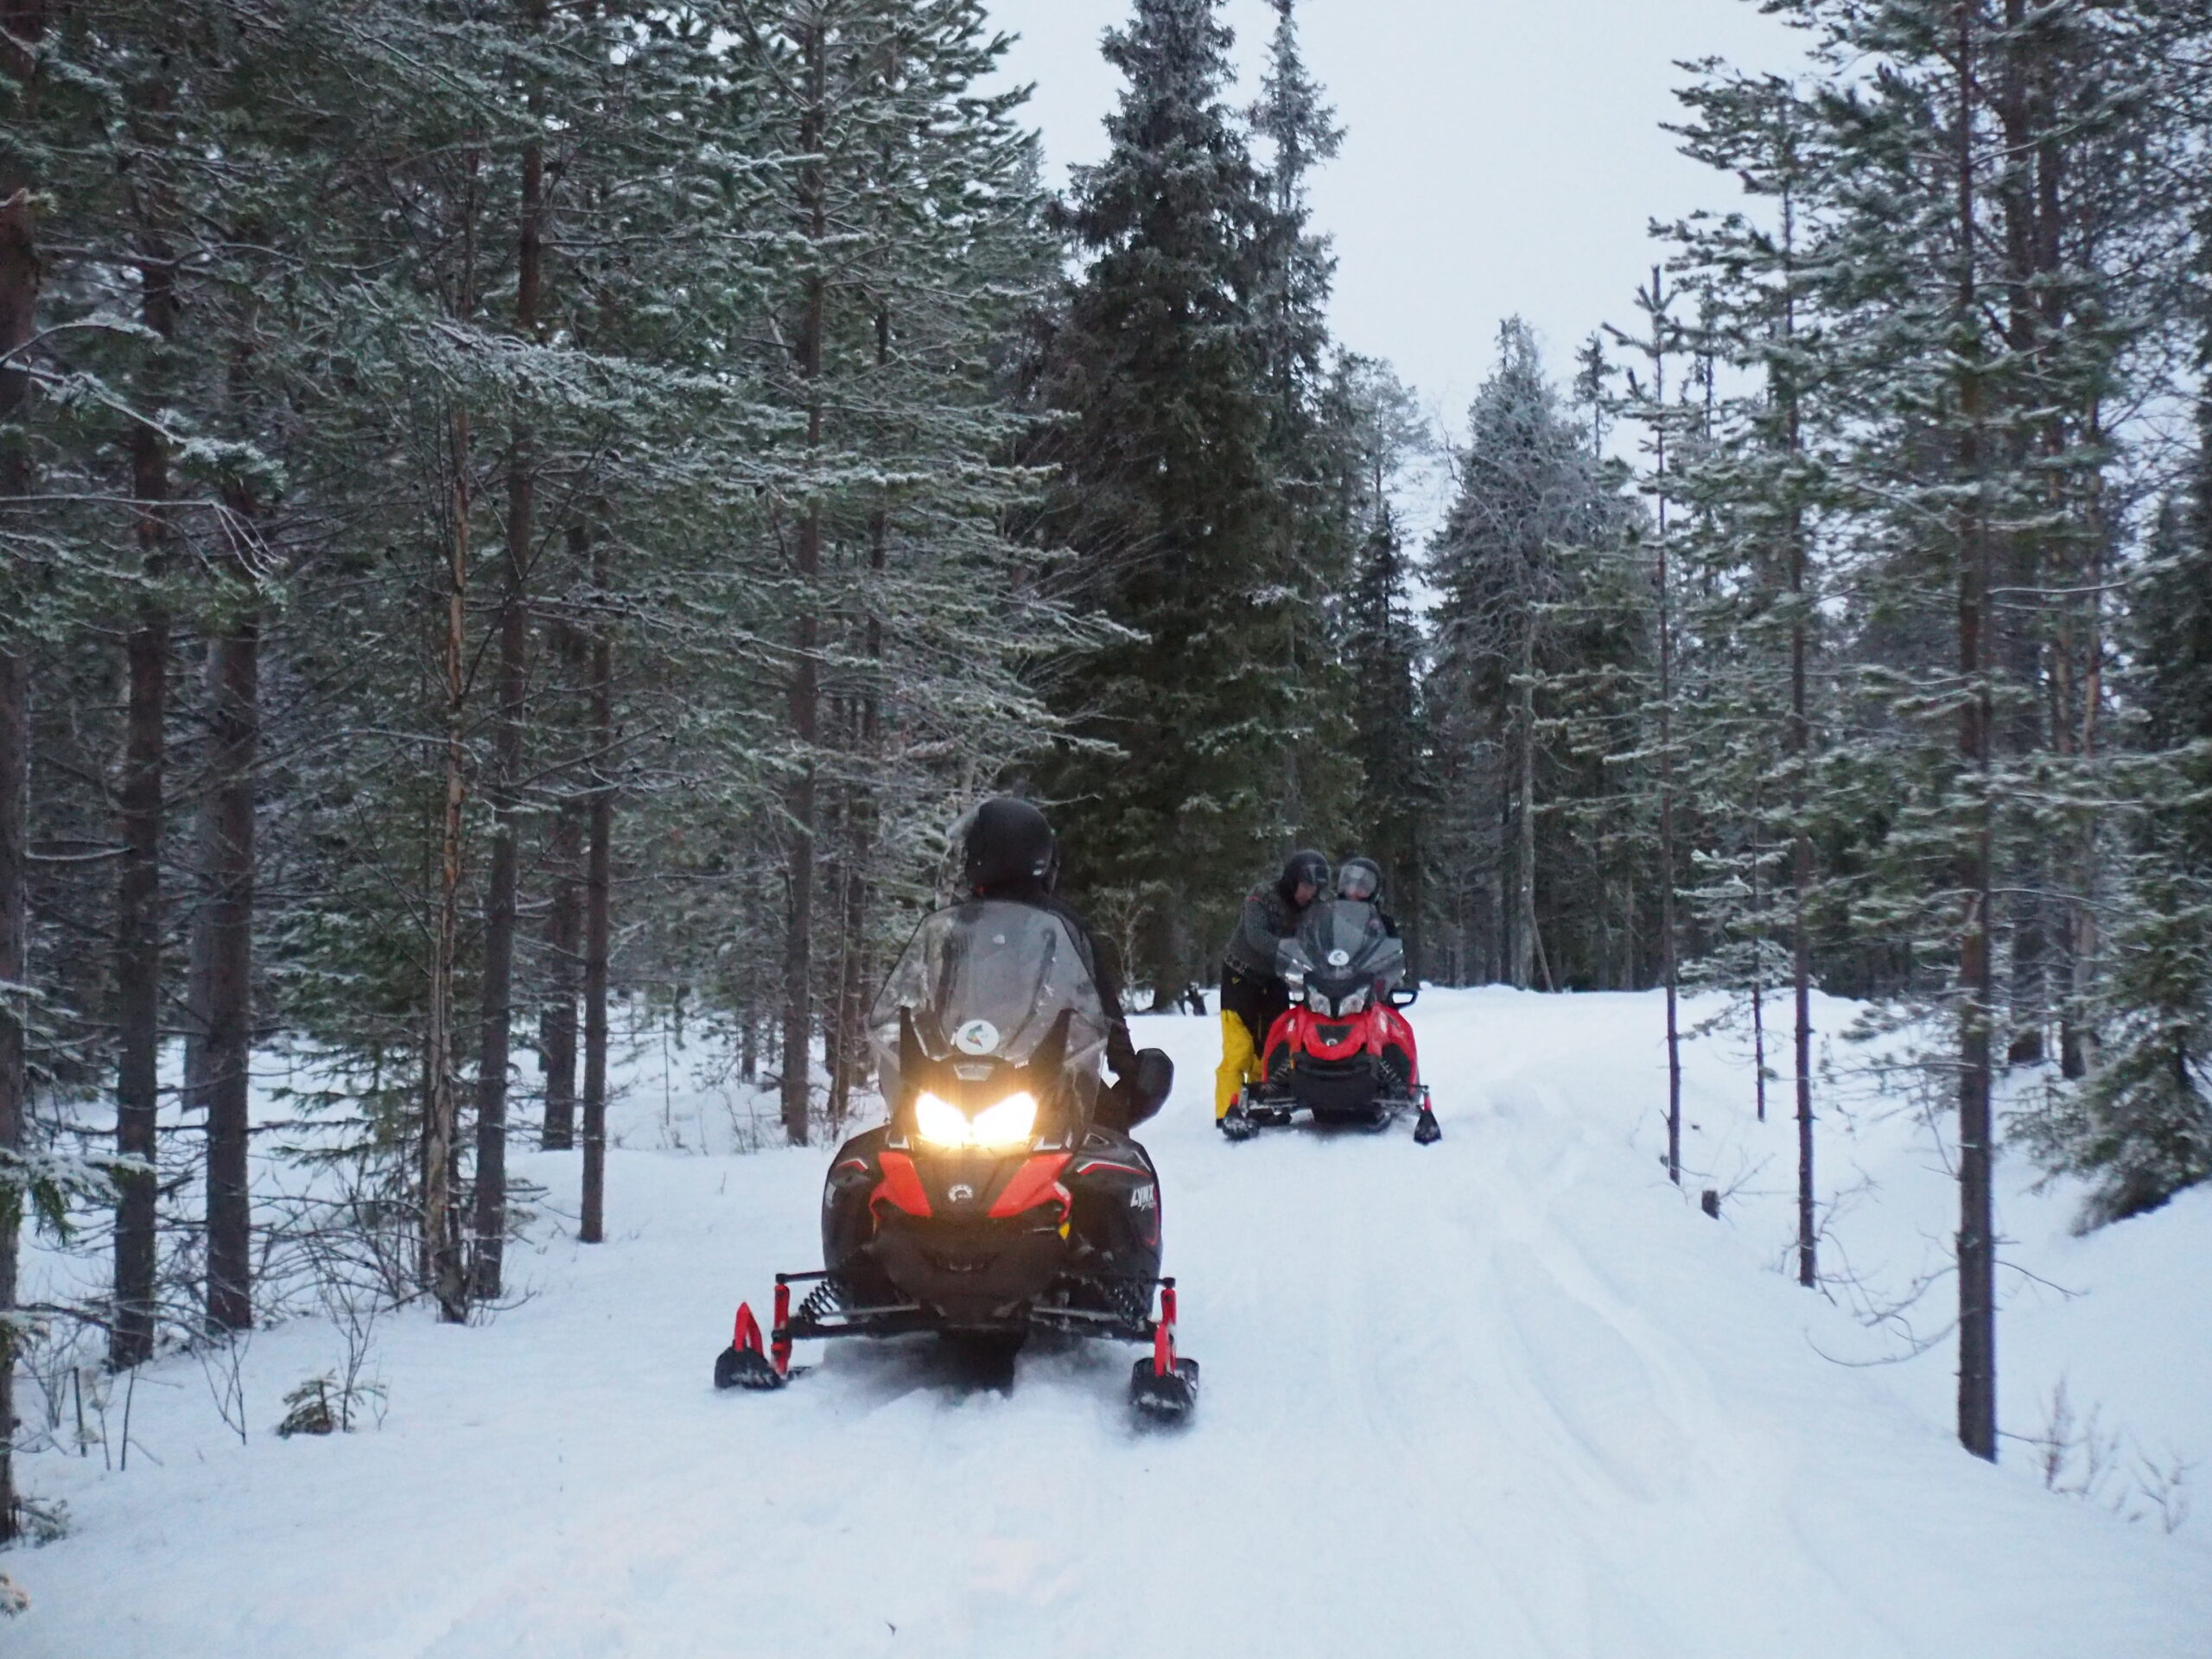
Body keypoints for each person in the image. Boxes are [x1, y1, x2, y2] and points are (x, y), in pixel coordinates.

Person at [954, 797, 1167, 1127]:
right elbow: (927, 991)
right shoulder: (959, 925)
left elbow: (1100, 1001)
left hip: (1052, 1075)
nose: (965, 857)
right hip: (961, 1074)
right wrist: (902, 1049)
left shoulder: (1060, 924)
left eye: (972, 849)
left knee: (1111, 1144)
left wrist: (1128, 1068)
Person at [1214, 849, 1330, 1122]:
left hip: (1275, 980)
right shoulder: (1262, 896)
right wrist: (1295, 950)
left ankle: (1262, 1104)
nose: (1309, 893)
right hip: (1241, 976)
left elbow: (1323, 937)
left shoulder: (1313, 910)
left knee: (1272, 1045)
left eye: (1315, 889)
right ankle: (1227, 1110)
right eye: (1306, 886)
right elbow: (1257, 937)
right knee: (1239, 1048)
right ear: (1292, 880)